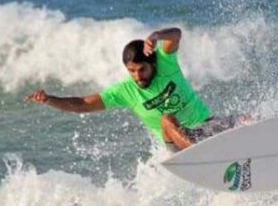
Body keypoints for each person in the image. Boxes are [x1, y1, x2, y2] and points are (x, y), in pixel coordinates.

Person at [25, 28, 238, 150]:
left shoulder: (166, 64)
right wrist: (49, 99)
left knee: (244, 121)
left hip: (207, 126)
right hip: (180, 147)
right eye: (131, 71)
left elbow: (176, 34)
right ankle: (201, 156)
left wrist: (156, 35)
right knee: (167, 119)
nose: (137, 76)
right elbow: (82, 104)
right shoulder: (125, 91)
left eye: (142, 70)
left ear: (153, 63)